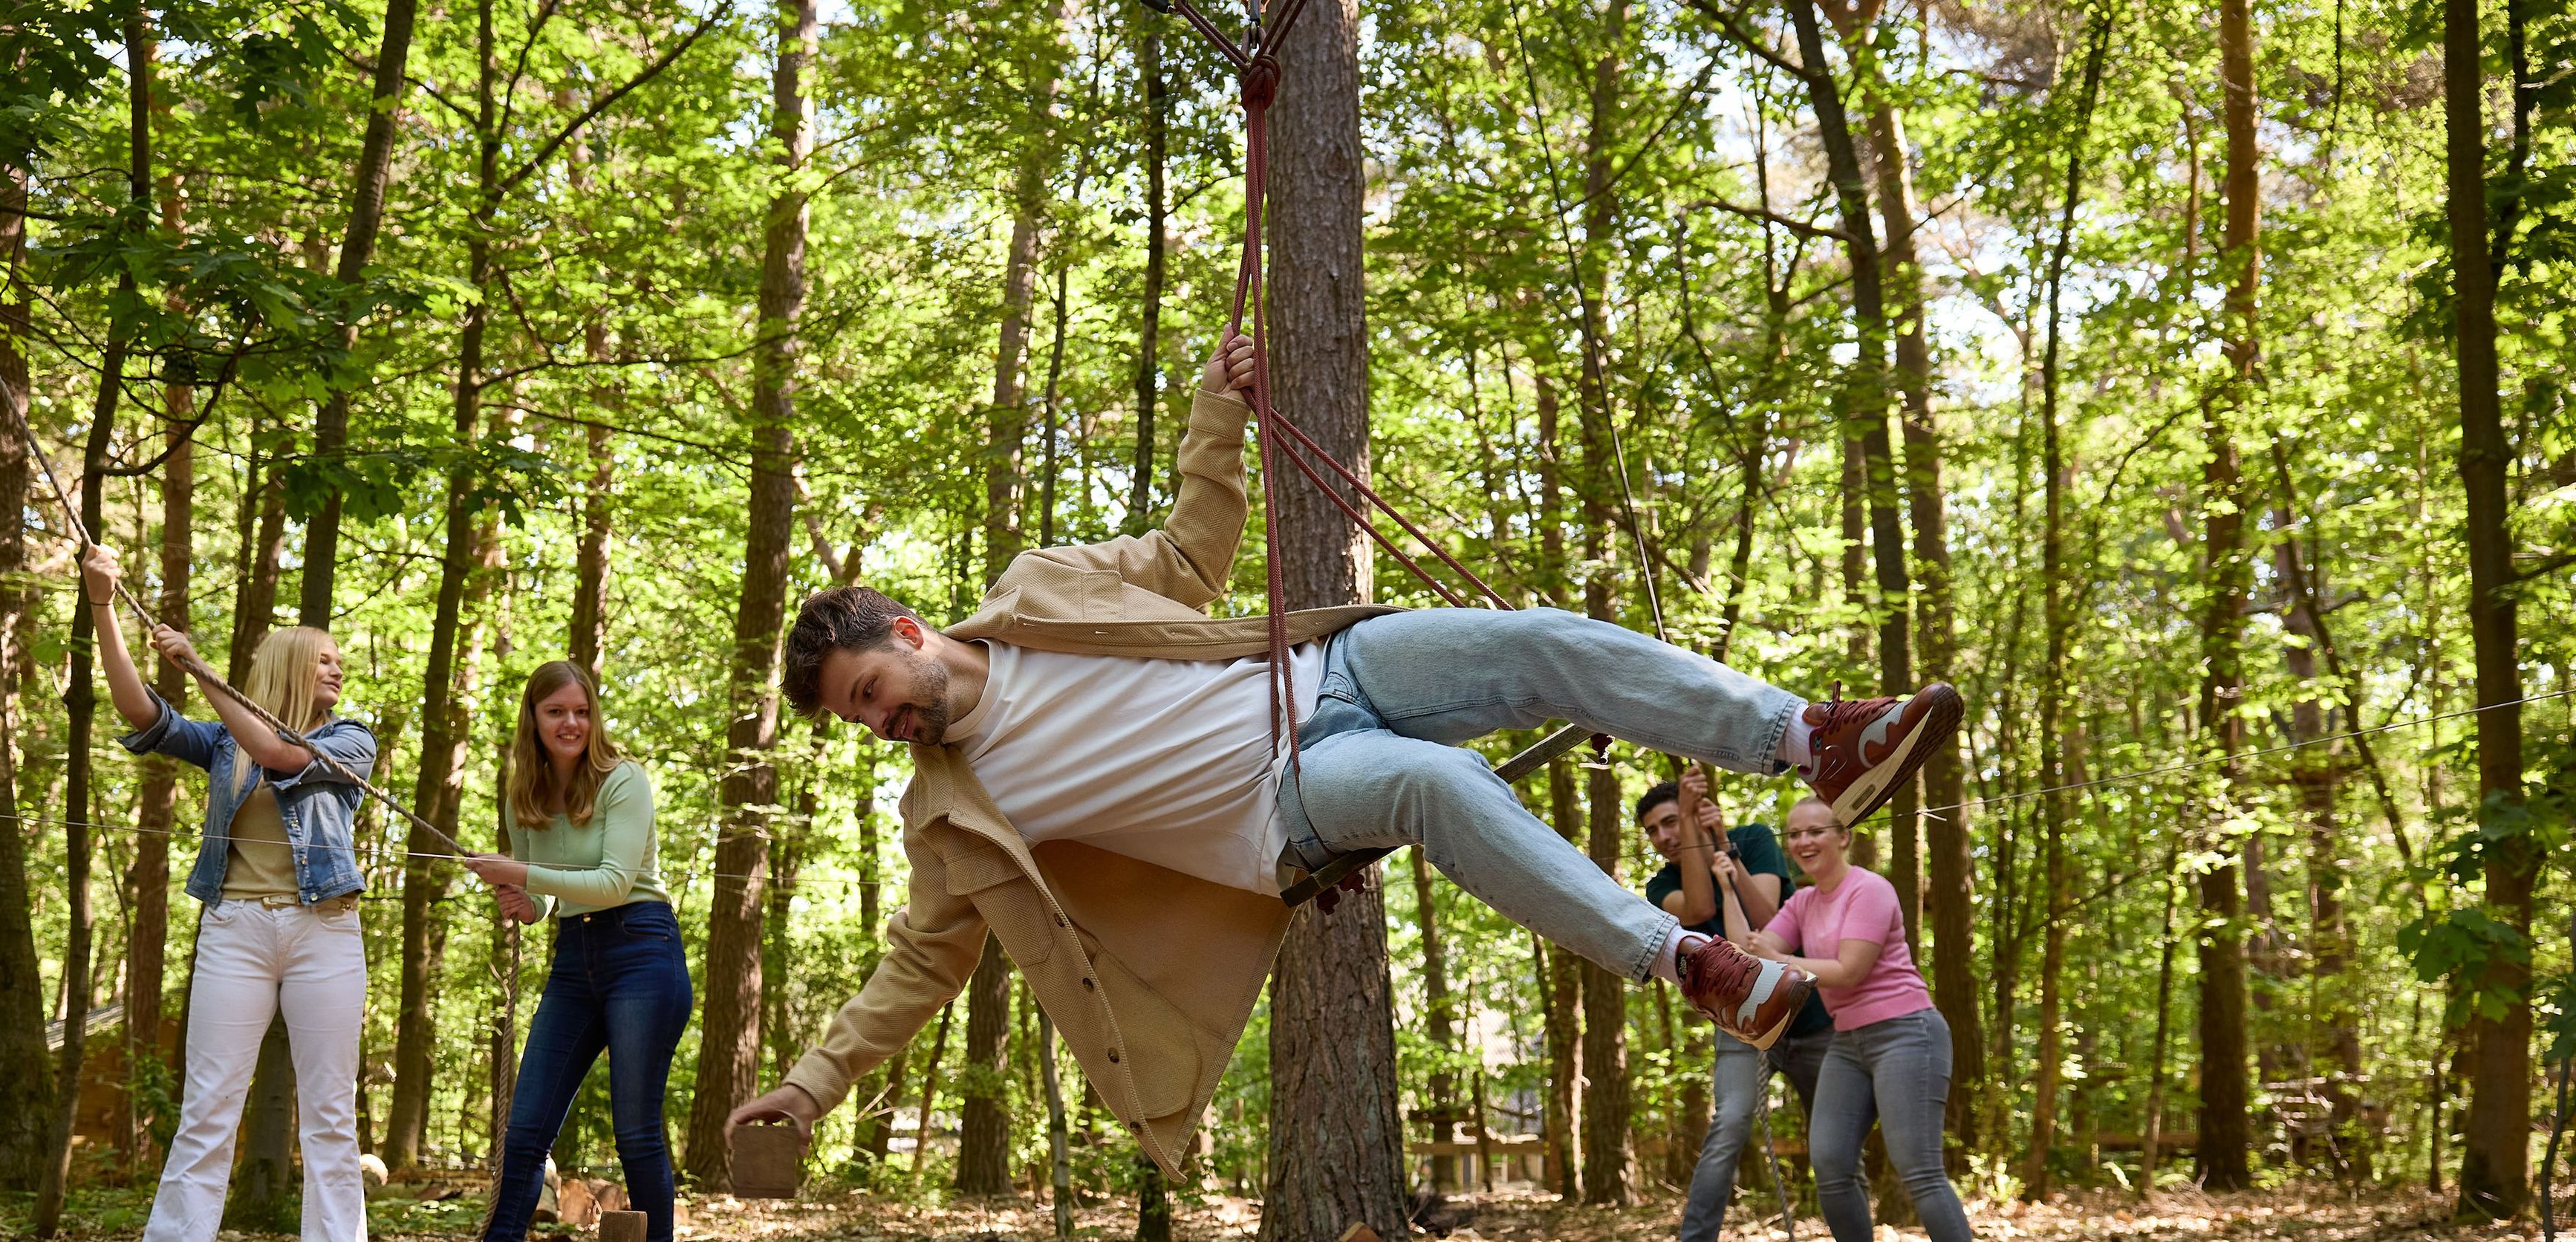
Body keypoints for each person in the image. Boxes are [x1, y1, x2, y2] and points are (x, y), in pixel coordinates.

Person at [721, 328, 1962, 1184]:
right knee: (1434, 785)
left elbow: (1189, 557)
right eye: (865, 723)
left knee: (1537, 639)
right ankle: (1692, 965)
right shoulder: (952, 816)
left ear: (910, 634)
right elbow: (916, 971)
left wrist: (1219, 411)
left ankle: (1815, 736)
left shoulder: (1041, 589)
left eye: (877, 692)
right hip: (1287, 805)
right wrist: (813, 1088)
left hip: (1336, 673)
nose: (888, 723)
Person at [84, 543, 376, 1242]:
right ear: (288, 662)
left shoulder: (353, 739)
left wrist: (202, 666)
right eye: (324, 661)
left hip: (326, 932)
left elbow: (281, 754)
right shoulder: (218, 743)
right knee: (207, 1110)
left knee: (329, 1113)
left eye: (339, 662)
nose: (336, 672)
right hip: (234, 931)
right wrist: (105, 604)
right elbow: (139, 710)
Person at [451, 660, 691, 1242]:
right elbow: (543, 898)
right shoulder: (523, 794)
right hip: (574, 958)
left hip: (643, 948)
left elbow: (615, 881)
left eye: (581, 711)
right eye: (556, 712)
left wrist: (521, 869)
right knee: (525, 1129)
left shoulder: (623, 780)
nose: (571, 723)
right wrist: (520, 899)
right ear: (534, 718)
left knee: (636, 1128)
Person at [1743, 797, 1985, 1242]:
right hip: (1849, 1040)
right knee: (1828, 1158)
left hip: (1907, 1031)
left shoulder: (1870, 889)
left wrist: (1780, 959)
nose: (1804, 842)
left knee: (1918, 1167)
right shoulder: (1803, 900)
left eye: (1816, 832)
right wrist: (1730, 882)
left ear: (1843, 836)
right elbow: (1759, 951)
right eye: (1794, 834)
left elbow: (1849, 970)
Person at [1639, 767, 1835, 1242]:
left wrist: (1719, 843)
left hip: (1813, 1019)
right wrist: (1694, 829)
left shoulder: (1752, 840)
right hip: (1742, 1026)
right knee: (1728, 1124)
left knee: (1834, 1143)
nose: (1663, 837)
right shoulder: (1663, 887)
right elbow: (1701, 911)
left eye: (1668, 821)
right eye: (1654, 831)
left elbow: (1771, 917)